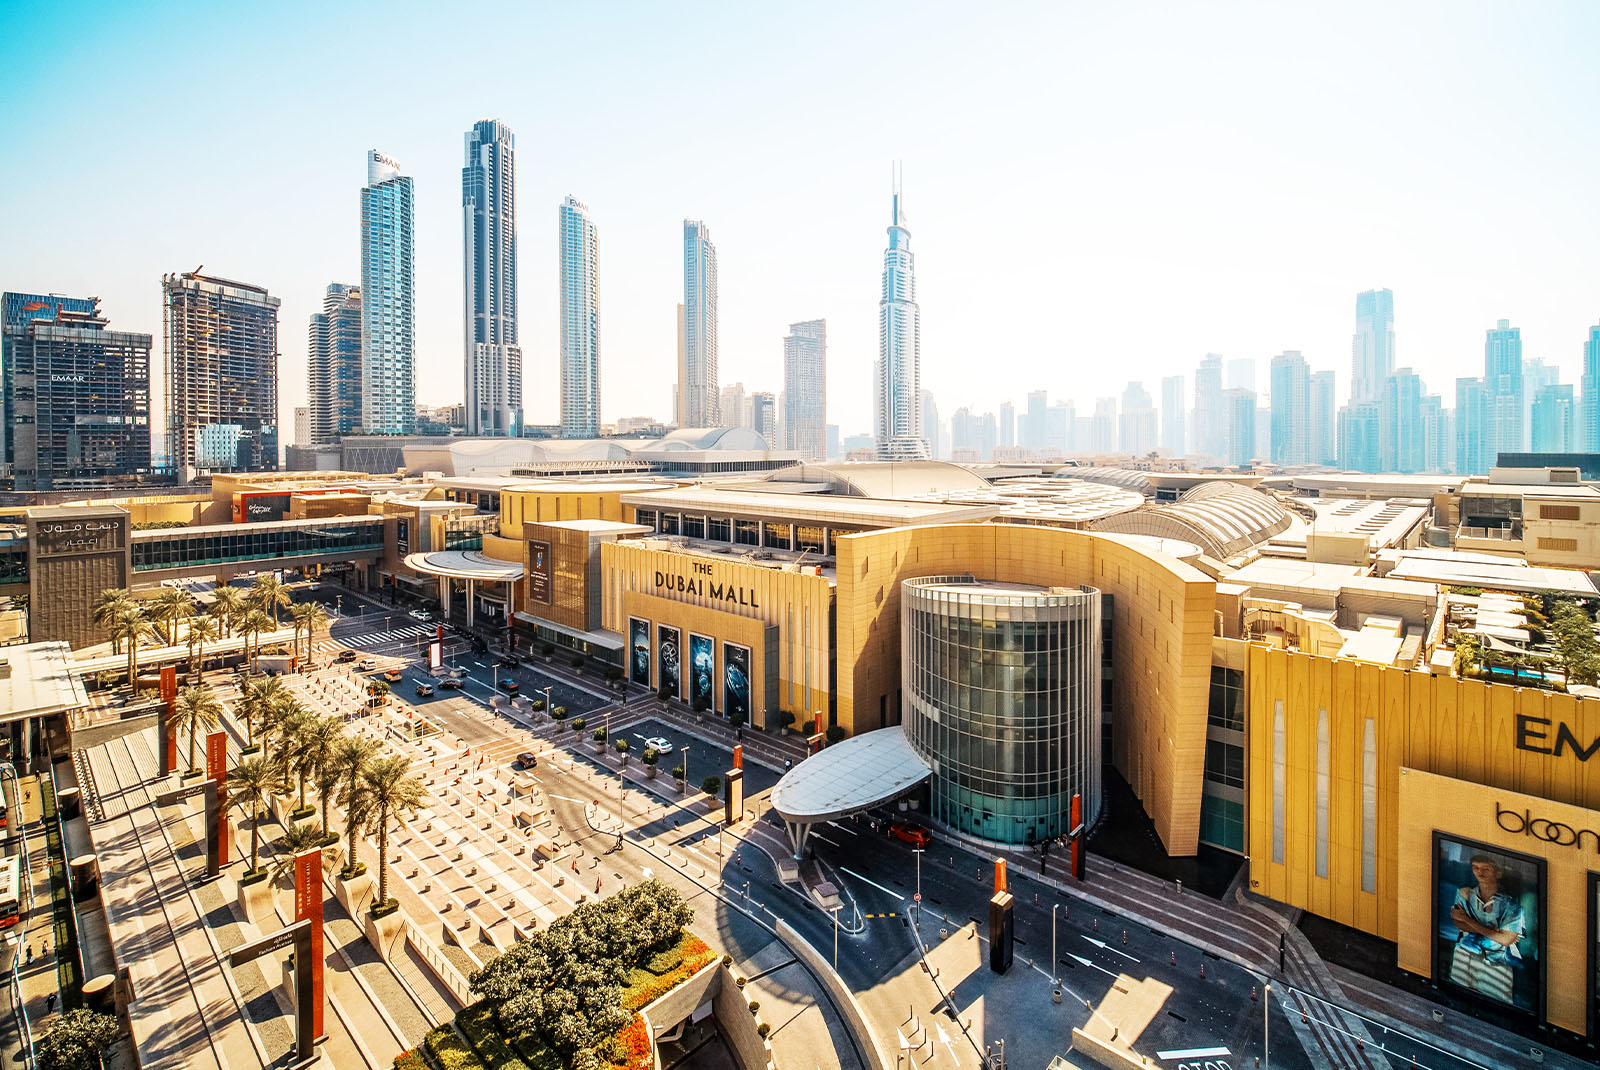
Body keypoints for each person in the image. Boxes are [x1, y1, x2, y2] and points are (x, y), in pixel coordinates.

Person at [1447, 854, 1526, 1006]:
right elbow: (1459, 924)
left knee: (1495, 1006)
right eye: (1475, 868)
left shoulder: (1511, 905)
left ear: (1498, 873)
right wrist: (1493, 931)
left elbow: (1506, 939)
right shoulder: (1464, 893)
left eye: (1486, 869)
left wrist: (1468, 920)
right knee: (1458, 1000)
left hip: (1497, 964)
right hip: (1465, 955)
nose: (1479, 873)